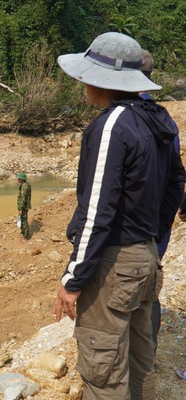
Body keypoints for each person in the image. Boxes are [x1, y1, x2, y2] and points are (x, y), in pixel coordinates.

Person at [51, 32, 186, 400]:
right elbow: (176, 184)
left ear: (103, 81)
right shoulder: (158, 118)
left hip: (115, 263)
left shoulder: (112, 125)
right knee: (140, 361)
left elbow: (98, 209)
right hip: (145, 256)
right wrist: (152, 239)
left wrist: (73, 279)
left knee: (104, 370)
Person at [139, 49, 182, 362]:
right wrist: (165, 224)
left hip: (130, 236)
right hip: (156, 231)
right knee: (149, 294)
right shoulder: (165, 120)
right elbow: (176, 178)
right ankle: (147, 358)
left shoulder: (120, 121)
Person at [16, 172, 31, 240]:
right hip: (24, 206)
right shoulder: (25, 185)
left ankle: (26, 236)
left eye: (19, 178)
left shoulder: (24, 186)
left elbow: (23, 198)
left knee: (24, 220)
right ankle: (23, 232)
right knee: (22, 219)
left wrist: (20, 208)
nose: (18, 179)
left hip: (23, 207)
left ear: (21, 179)